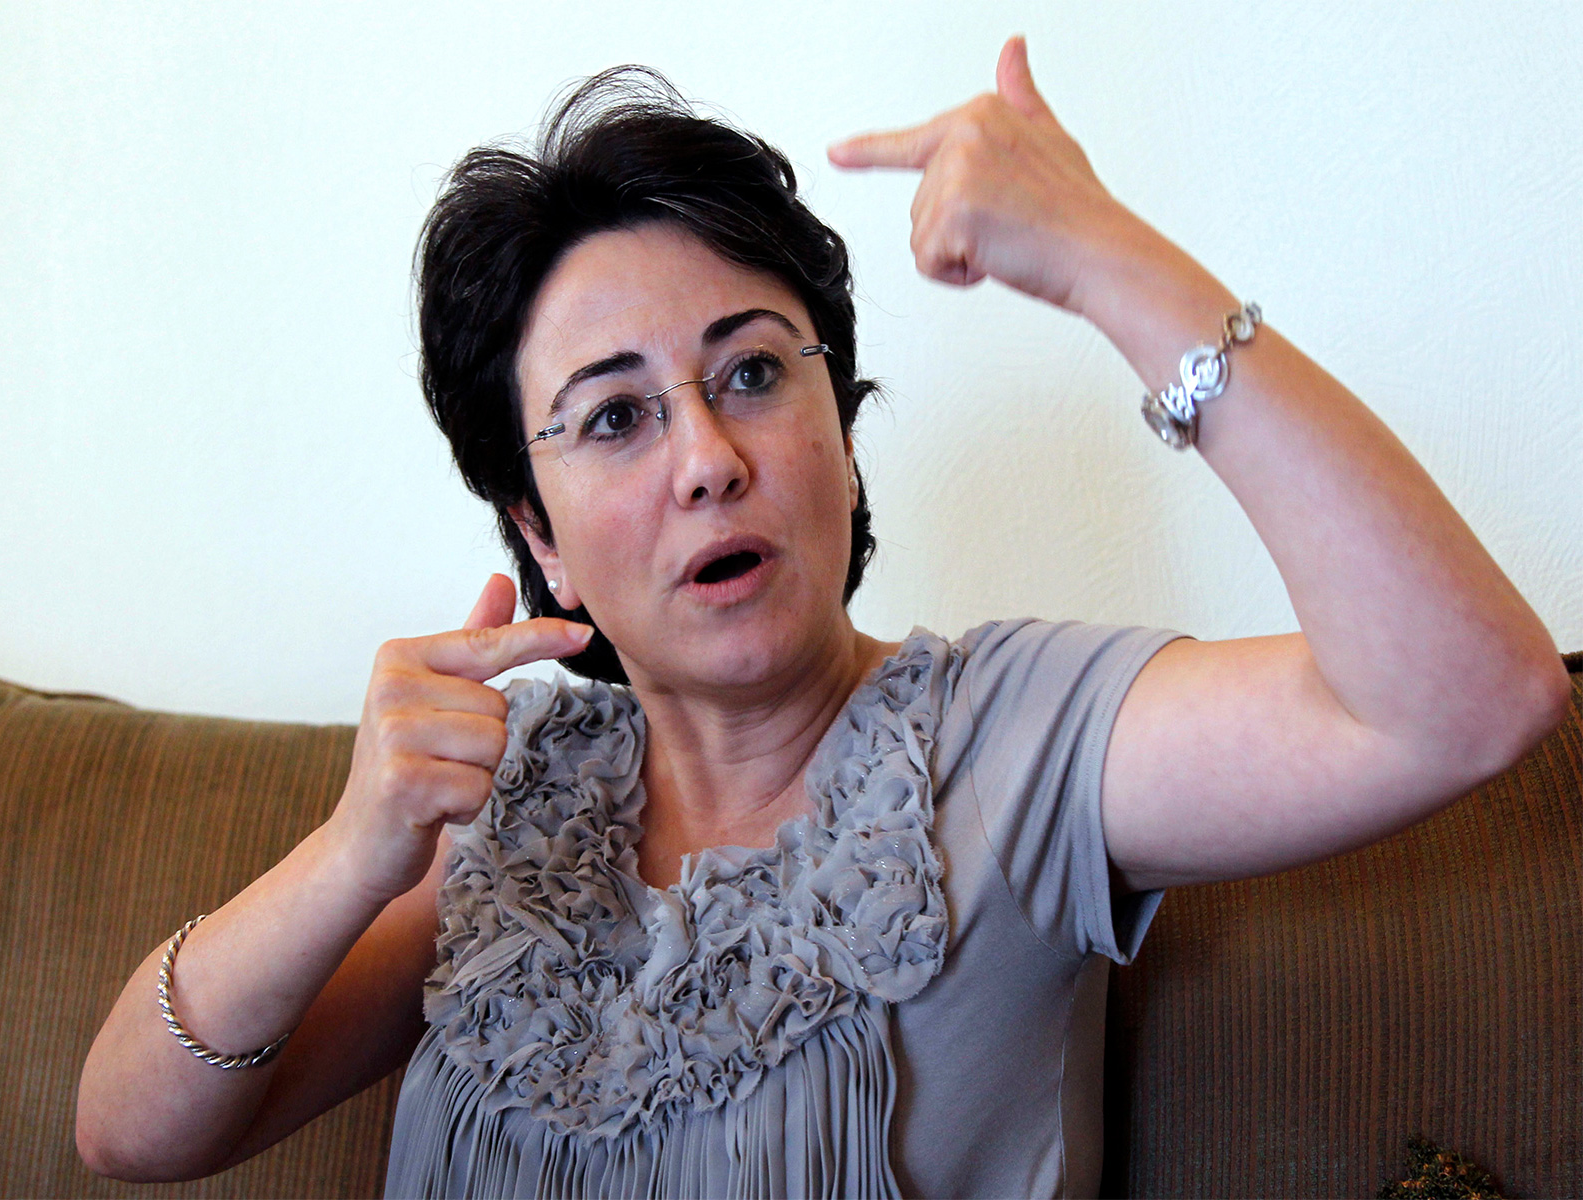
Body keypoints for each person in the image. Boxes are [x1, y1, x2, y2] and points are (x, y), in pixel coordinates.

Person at [77, 37, 1569, 1199]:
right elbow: (129, 1132)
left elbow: (1471, 699)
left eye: (750, 373)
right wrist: (355, 851)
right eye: (614, 417)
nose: (707, 460)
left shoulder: (1011, 740)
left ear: (842, 438)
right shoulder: (501, 800)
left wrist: (1103, 256)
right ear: (540, 539)